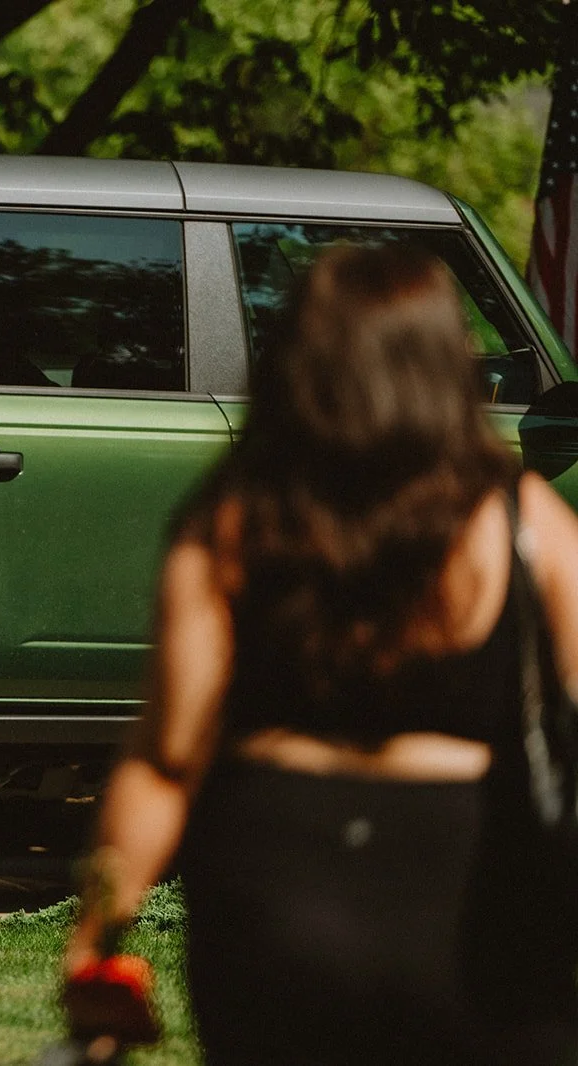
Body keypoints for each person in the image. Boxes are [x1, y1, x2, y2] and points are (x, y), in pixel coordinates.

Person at [64, 244, 578, 1063]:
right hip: (481, 916)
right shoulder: (525, 523)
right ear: (446, 365)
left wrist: (98, 937)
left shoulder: (234, 521)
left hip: (272, 900)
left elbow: (164, 761)